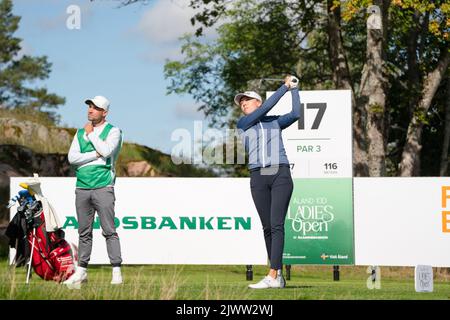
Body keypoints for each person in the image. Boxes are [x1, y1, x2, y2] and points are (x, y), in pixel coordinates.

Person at [235, 75, 301, 289]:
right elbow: (266, 109)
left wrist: (294, 90)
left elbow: (296, 114)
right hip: (258, 176)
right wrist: (284, 87)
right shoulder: (243, 123)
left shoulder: (274, 122)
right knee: (267, 227)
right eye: (241, 101)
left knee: (277, 224)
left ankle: (273, 274)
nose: (243, 103)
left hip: (280, 173)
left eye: (247, 99)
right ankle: (278, 275)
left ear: (258, 102)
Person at [64, 95, 123, 286]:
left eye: (95, 108)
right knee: (84, 232)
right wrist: (94, 154)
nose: (90, 110)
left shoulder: (113, 131)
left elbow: (106, 151)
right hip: (82, 187)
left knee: (109, 230)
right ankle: (81, 271)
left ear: (104, 112)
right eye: (89, 106)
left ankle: (116, 272)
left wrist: (91, 136)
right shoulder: (79, 132)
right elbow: (72, 159)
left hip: (103, 186)